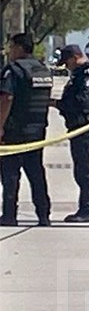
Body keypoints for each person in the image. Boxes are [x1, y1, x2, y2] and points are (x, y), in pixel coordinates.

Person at [0, 33, 53, 227]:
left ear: (20, 48)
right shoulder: (43, 70)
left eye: (11, 47)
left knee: (10, 174)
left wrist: (0, 127)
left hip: (15, 130)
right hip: (37, 131)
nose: (9, 51)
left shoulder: (13, 70)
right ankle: (44, 214)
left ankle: (9, 215)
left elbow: (7, 98)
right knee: (36, 173)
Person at [54, 45, 89, 222]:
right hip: (76, 126)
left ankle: (87, 209)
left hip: (84, 126)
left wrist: (60, 105)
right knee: (79, 169)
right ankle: (84, 206)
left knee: (83, 171)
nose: (67, 67)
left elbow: (83, 101)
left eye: (67, 62)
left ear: (75, 57)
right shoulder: (78, 74)